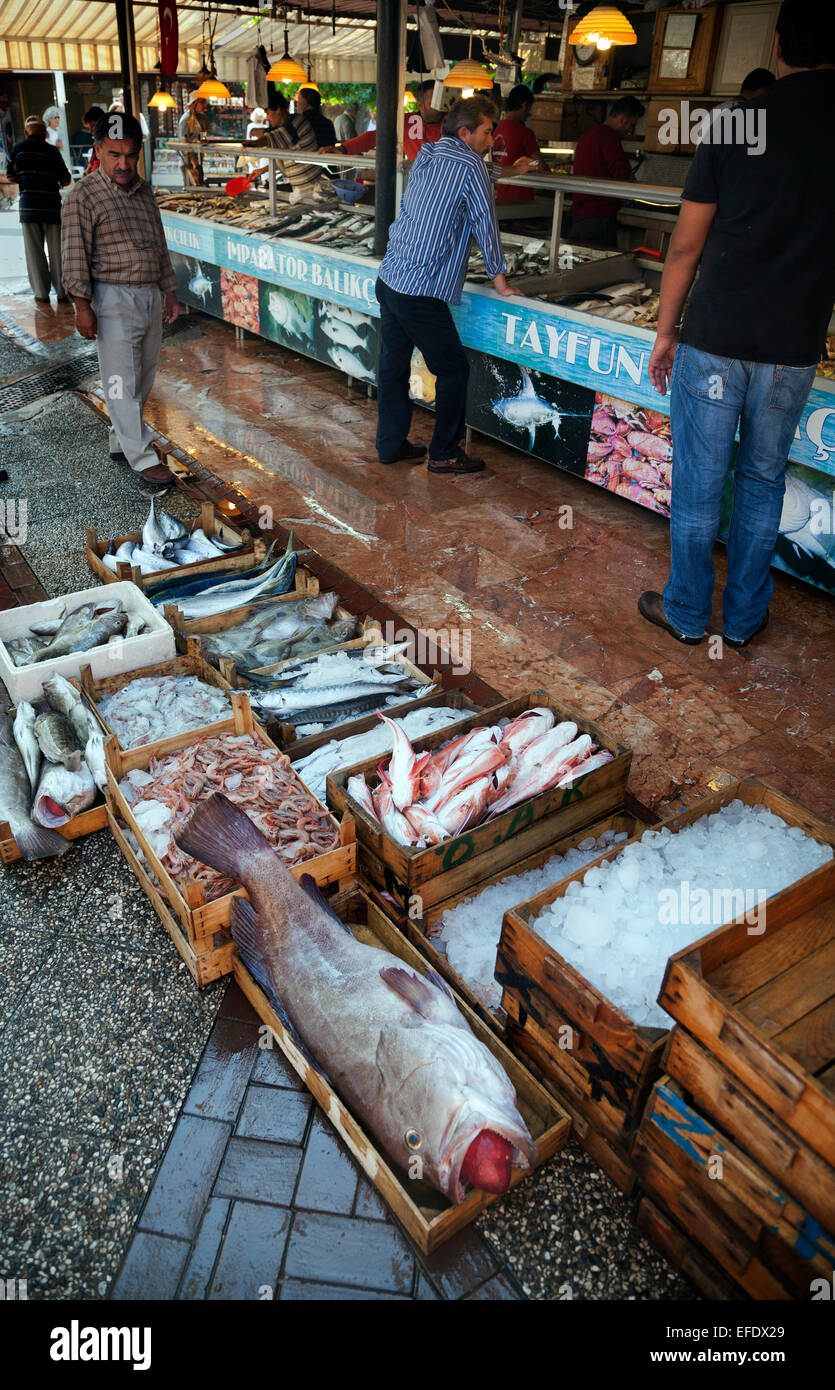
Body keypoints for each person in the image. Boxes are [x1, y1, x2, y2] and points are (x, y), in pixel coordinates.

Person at [639, 0, 835, 650]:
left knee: (698, 484)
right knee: (760, 481)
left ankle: (689, 615)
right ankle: (745, 620)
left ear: (777, 45)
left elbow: (686, 246)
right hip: (793, 345)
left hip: (717, 336)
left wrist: (666, 330)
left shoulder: (739, 121)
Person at [375, 96, 520, 475]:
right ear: (465, 131)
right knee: (454, 369)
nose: (492, 140)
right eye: (488, 132)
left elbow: (475, 177)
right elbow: (485, 224)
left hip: (391, 278)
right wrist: (500, 280)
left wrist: (510, 170)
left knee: (392, 367)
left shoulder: (429, 153)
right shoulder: (471, 164)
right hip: (419, 290)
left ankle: (390, 446)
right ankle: (444, 453)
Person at [61, 112, 178, 488]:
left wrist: (170, 290)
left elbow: (159, 245)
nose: (123, 163)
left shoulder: (144, 192)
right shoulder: (85, 194)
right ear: (97, 150)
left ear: (139, 151)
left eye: (130, 154)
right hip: (111, 297)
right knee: (119, 380)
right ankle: (142, 457)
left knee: (141, 378)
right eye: (114, 154)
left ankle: (120, 438)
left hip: (149, 294)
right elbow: (75, 252)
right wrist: (82, 305)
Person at [7, 115, 72, 304]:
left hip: (29, 207)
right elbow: (66, 180)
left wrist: (27, 179)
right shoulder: (52, 151)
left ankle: (42, 294)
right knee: (58, 251)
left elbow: (10, 175)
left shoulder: (18, 149)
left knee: (34, 252)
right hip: (51, 207)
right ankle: (62, 292)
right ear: (44, 132)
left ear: (27, 132)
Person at [570, 95, 644, 246]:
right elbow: (622, 174)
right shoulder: (608, 138)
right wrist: (638, 191)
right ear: (623, 119)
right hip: (599, 216)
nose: (629, 131)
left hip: (580, 215)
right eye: (631, 125)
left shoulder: (587, 135)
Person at [248, 93, 335, 202]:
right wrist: (262, 170)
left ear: (278, 110)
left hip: (313, 189)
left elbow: (267, 139)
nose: (268, 118)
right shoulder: (286, 128)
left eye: (268, 113)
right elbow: (286, 159)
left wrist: (247, 145)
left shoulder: (296, 123)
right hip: (302, 191)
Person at [335, 80, 443, 161]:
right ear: (421, 106)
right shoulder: (406, 122)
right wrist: (343, 148)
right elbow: (375, 137)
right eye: (434, 103)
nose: (440, 107)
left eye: (442, 102)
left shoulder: (454, 123)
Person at [492, 85, 546, 203]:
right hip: (521, 202)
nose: (529, 114)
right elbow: (540, 166)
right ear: (524, 105)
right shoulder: (525, 133)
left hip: (501, 198)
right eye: (530, 108)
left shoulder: (497, 130)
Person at [177, 95, 210, 187]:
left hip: (197, 158)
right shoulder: (186, 119)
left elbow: (203, 131)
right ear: (194, 103)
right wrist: (193, 162)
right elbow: (184, 143)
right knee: (191, 188)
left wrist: (203, 139)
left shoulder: (200, 117)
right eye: (202, 103)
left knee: (199, 186)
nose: (204, 106)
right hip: (188, 161)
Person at [82, 106, 106, 175]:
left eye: (93, 126)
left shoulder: (106, 142)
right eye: (89, 127)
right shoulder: (96, 142)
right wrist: (88, 169)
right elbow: (93, 158)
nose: (91, 130)